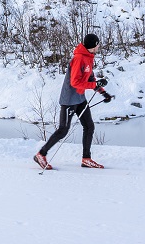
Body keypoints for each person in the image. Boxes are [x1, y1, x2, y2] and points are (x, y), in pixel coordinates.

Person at [34, 33, 112, 169]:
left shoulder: (89, 58)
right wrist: (95, 85)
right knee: (63, 130)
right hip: (69, 100)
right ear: (92, 46)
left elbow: (90, 78)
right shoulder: (79, 58)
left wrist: (103, 92)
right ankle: (41, 154)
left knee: (89, 126)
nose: (98, 46)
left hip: (80, 98)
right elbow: (75, 82)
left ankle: (86, 159)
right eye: (97, 44)